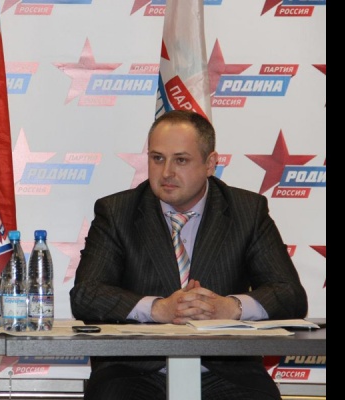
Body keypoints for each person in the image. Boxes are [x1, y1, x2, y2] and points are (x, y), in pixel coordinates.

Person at [69, 110, 308, 400]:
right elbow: (86, 295)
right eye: (157, 158)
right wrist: (158, 309)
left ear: (210, 164)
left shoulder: (247, 211)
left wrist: (230, 308)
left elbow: (290, 295)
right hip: (134, 370)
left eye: (181, 160)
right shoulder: (117, 212)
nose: (166, 172)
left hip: (227, 370)